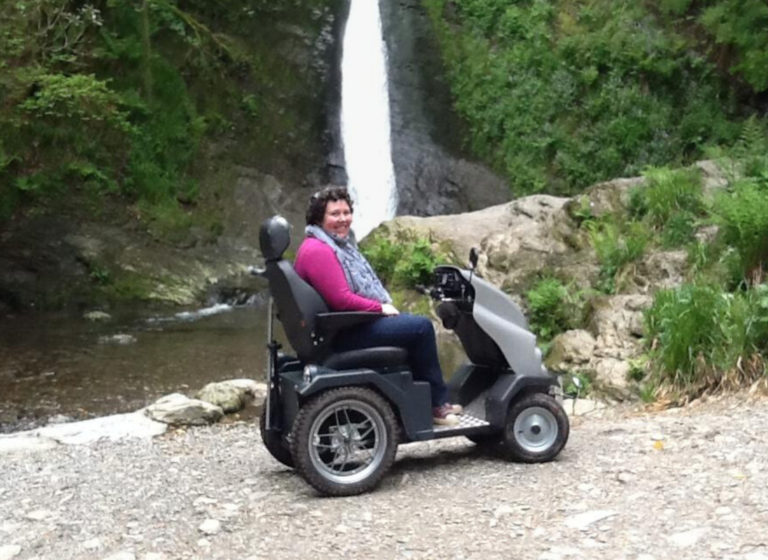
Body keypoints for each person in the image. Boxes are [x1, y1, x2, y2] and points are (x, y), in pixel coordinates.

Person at [294, 186, 463, 426]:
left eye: (346, 212)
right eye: (334, 214)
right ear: (319, 218)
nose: (342, 219)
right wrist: (379, 308)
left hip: (338, 328)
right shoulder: (319, 251)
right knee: (421, 327)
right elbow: (341, 299)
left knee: (408, 325)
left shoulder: (323, 245)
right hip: (342, 333)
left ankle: (418, 399)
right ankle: (437, 405)